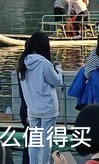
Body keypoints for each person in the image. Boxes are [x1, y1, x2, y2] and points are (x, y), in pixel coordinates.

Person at [18, 31, 62, 164]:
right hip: (47, 108)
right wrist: (59, 70)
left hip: (32, 109)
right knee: (46, 141)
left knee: (34, 141)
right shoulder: (44, 63)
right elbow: (56, 81)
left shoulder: (23, 63)